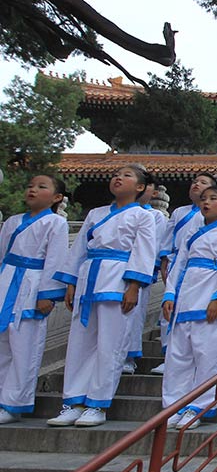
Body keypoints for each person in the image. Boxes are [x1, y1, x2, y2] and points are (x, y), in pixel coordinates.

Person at [48, 165, 156, 427]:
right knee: (80, 344)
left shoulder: (143, 216)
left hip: (119, 279)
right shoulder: (96, 213)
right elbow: (79, 250)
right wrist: (72, 282)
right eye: (116, 175)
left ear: (140, 187)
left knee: (110, 345)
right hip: (88, 279)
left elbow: (144, 251)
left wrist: (133, 286)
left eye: (127, 175)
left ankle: (98, 404)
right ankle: (72, 401)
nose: (119, 178)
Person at [161, 185, 217, 429]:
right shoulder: (190, 236)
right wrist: (169, 294)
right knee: (178, 357)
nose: (206, 202)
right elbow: (178, 266)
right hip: (185, 298)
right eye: (204, 199)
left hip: (209, 299)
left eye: (214, 199)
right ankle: (173, 406)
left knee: (207, 356)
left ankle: (199, 405)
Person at [0, 175, 69, 424]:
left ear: (57, 197)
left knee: (24, 345)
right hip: (7, 279)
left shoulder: (55, 223)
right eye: (30, 186)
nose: (33, 190)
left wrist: (47, 294)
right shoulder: (12, 221)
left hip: (32, 282)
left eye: (41, 187)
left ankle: (13, 403)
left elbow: (56, 259)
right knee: (3, 343)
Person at [152, 172, 217, 375]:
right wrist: (163, 261)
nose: (197, 185)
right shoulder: (179, 212)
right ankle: (167, 353)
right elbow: (167, 237)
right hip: (176, 263)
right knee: (169, 309)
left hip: (201, 269)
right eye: (195, 182)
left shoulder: (211, 217)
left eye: (203, 183)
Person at [122, 173, 167, 375]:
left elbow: (152, 246)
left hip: (139, 271)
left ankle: (128, 356)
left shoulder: (154, 216)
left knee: (133, 315)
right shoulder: (104, 214)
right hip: (110, 270)